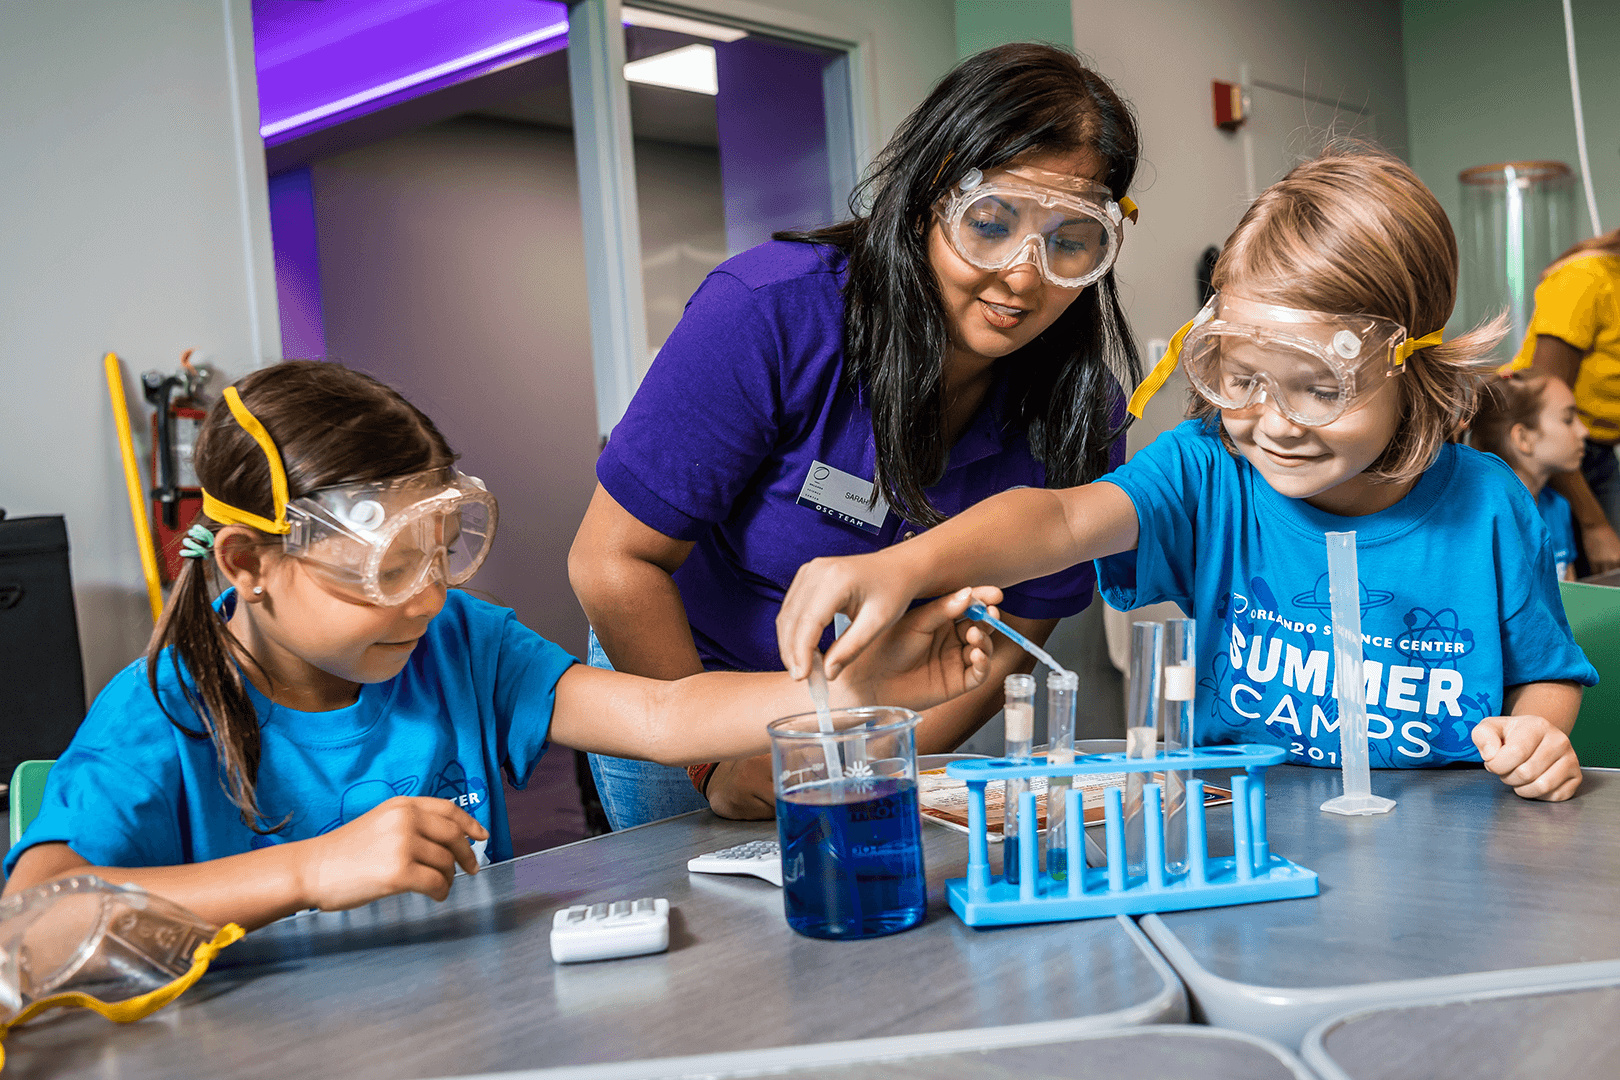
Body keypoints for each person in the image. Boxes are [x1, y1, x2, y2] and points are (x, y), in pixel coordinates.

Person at [1, 361, 997, 929]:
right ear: (251, 566)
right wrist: (307, 871)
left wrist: (864, 682)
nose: (427, 598)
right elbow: (33, 924)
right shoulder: (160, 711)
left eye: (442, 550)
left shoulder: (453, 643)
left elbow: (659, 712)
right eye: (386, 569)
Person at [778, 150, 1596, 803]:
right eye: (1241, 379)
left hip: (1446, 851)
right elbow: (1058, 521)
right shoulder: (1209, 472)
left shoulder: (1490, 506)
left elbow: (1547, 673)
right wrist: (903, 566)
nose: (1275, 421)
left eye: (1320, 388)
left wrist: (1538, 737)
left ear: (1412, 369)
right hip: (1242, 833)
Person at [569, 43, 1143, 827]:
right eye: (990, 224)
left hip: (887, 710)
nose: (1023, 274)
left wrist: (870, 756)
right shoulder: (769, 312)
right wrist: (714, 760)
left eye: (1070, 240)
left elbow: (1010, 633)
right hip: (683, 683)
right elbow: (612, 561)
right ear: (925, 198)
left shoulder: (1081, 410)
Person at [1513, 228, 1620, 574]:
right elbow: (1546, 415)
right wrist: (1594, 526)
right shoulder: (1586, 280)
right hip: (1543, 449)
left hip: (1596, 452)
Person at [1470, 373, 1585, 581]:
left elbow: (1572, 595)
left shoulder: (1557, 507)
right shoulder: (1483, 521)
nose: (1584, 431)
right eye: (1568, 419)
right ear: (1523, 437)